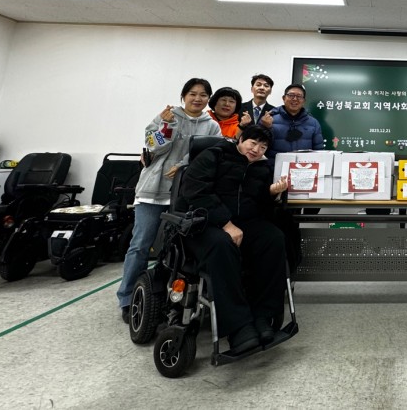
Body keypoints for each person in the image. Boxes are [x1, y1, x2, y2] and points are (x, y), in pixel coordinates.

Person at [117, 78, 222, 323]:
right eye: (193, 93)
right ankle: (127, 298)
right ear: (183, 96)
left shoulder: (212, 126)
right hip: (153, 191)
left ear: (208, 99)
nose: (198, 98)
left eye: (203, 95)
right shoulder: (167, 116)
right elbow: (152, 147)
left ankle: (166, 296)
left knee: (176, 249)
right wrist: (167, 125)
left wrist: (184, 165)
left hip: (185, 194)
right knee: (140, 245)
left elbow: (211, 155)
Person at [177, 125, 290, 353]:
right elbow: (195, 191)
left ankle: (263, 315)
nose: (256, 150)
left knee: (273, 238)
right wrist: (226, 224)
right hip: (205, 223)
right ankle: (238, 327)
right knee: (222, 244)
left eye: (263, 147)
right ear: (240, 139)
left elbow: (259, 206)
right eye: (253, 143)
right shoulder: (213, 155)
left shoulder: (261, 168)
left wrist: (272, 194)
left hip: (244, 223)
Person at [268, 83, 325, 165]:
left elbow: (319, 151)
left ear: (304, 101)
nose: (295, 99)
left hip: (304, 169)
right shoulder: (270, 119)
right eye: (291, 95)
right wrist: (265, 126)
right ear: (284, 98)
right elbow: (260, 146)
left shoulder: (313, 123)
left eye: (299, 96)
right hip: (274, 168)